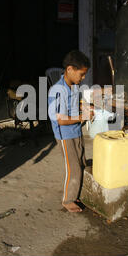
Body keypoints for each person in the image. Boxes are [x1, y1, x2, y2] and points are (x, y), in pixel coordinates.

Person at [48, 50, 93, 213]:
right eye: (81, 74)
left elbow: (74, 105)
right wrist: (82, 117)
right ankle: (68, 199)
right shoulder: (58, 90)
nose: (82, 78)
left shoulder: (73, 87)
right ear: (69, 69)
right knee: (73, 167)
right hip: (64, 135)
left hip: (76, 131)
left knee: (81, 163)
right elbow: (60, 119)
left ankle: (77, 193)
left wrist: (84, 107)